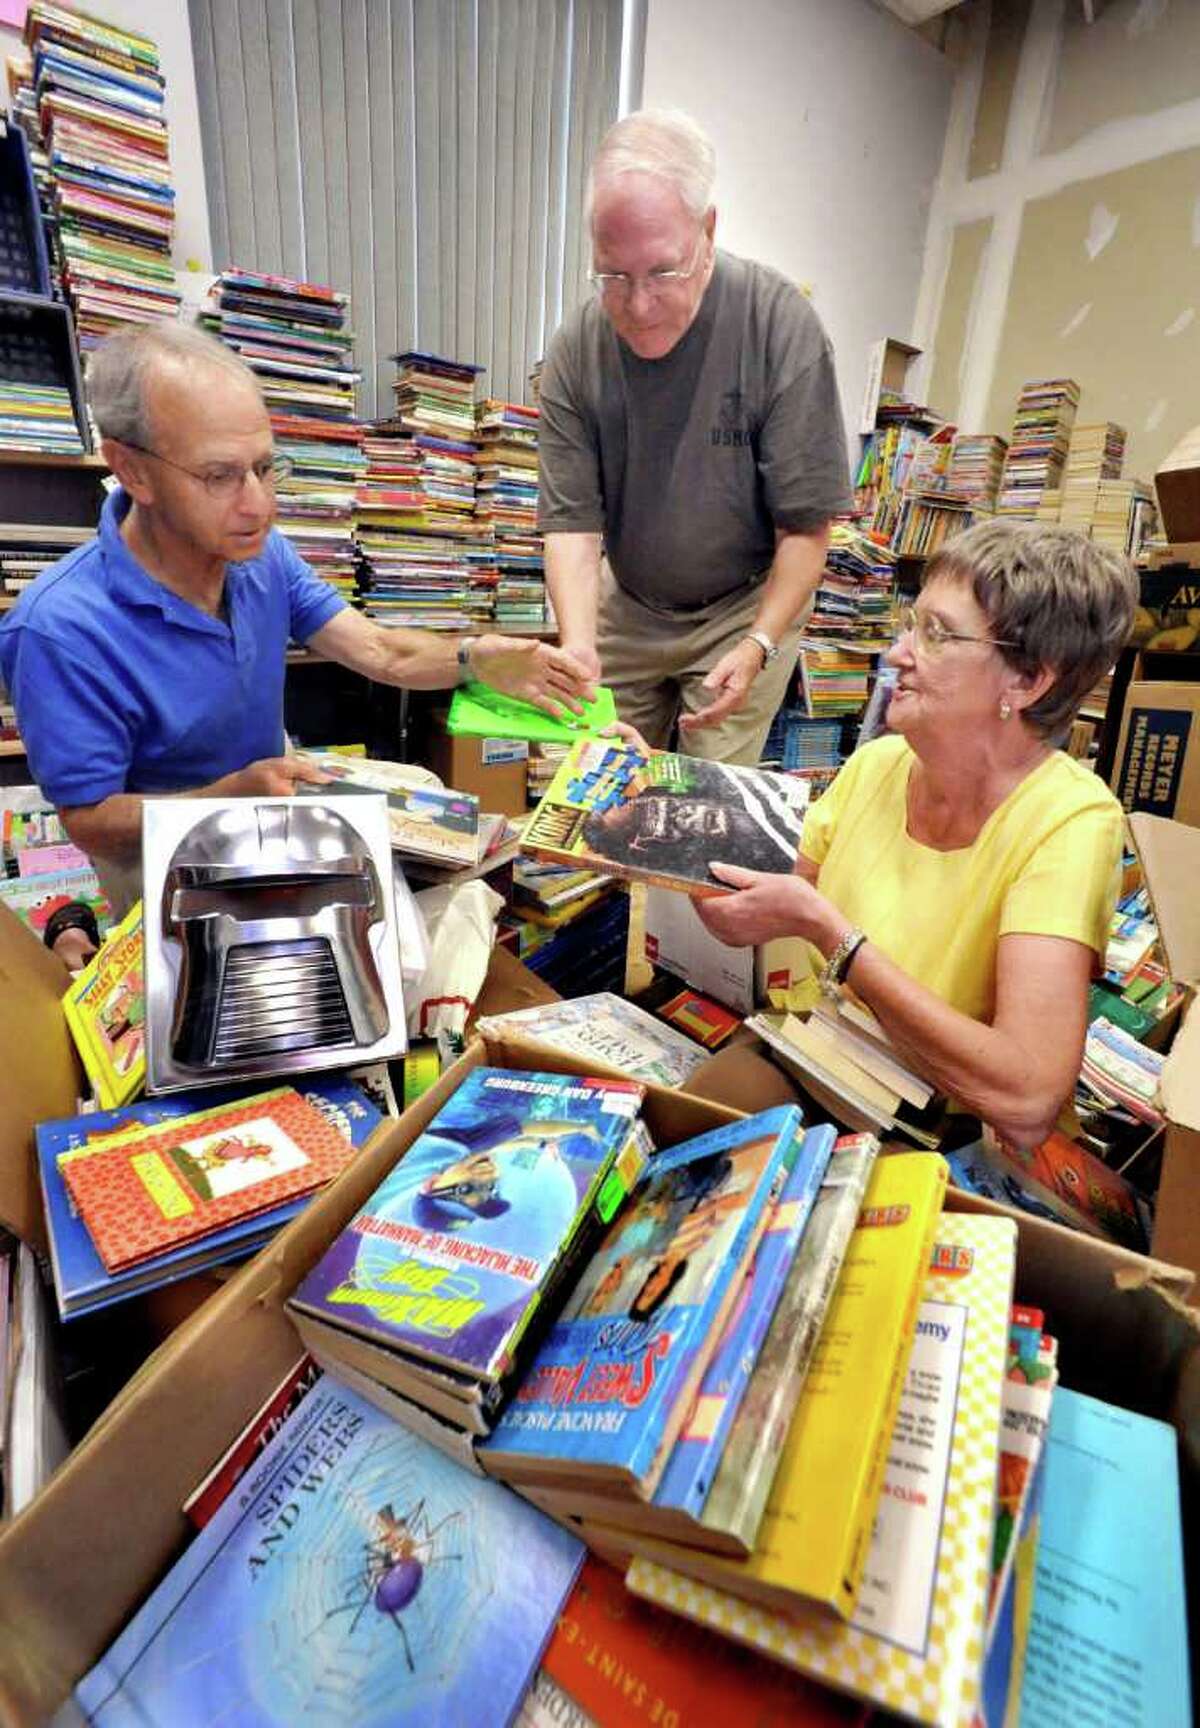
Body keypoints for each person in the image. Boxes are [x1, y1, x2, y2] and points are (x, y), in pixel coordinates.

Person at [0, 324, 589, 914]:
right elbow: (93, 822)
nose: (259, 504)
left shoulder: (259, 554)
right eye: (220, 476)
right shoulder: (58, 629)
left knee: (435, 839)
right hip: (163, 855)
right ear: (131, 470)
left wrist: (475, 658)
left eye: (263, 467)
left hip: (267, 800)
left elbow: (379, 650)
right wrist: (228, 799)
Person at [696, 520, 1137, 1150]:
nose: (897, 653)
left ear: (1027, 680)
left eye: (937, 634)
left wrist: (836, 939)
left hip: (942, 1122)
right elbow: (750, 905)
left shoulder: (1071, 822)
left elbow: (1028, 1096)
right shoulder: (879, 763)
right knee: (690, 1123)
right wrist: (655, 797)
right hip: (825, 1058)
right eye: (911, 624)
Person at [538, 107, 852, 766]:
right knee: (599, 777)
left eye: (662, 273)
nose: (638, 305)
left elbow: (806, 531)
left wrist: (760, 642)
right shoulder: (575, 350)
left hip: (742, 608)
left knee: (702, 796)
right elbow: (572, 527)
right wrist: (577, 644)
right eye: (613, 276)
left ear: (707, 231)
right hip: (629, 600)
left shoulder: (779, 327)